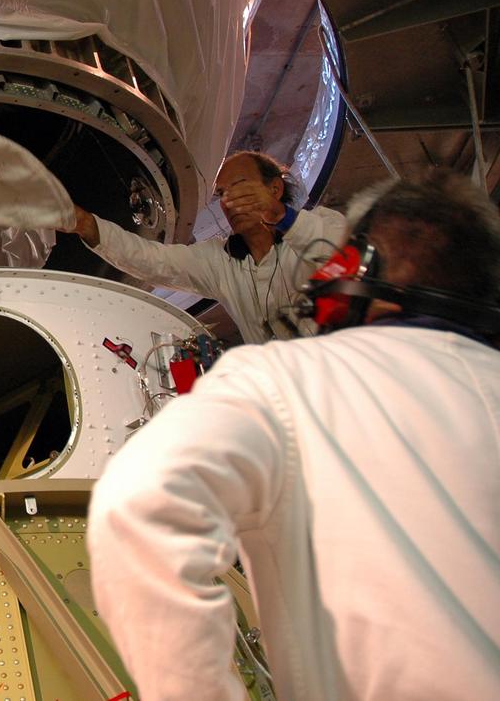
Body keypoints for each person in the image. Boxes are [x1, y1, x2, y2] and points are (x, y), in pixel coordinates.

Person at [87, 170, 500, 700]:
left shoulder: (277, 376)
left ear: (358, 268)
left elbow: (141, 507)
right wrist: (88, 226)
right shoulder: (223, 262)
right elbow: (157, 261)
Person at [69, 151, 347, 343]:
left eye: (240, 186)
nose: (229, 201)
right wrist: (84, 224)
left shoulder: (321, 224)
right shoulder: (219, 260)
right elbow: (151, 260)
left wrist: (279, 215)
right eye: (222, 194)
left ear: (274, 189)